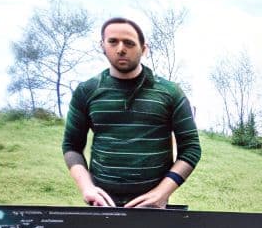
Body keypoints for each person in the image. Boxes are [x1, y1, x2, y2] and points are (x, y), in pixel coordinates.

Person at [61, 17, 201, 207]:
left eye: (129, 43)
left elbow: (191, 148)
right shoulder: (86, 91)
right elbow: (72, 146)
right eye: (113, 42)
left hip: (153, 207)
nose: (120, 49)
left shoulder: (170, 92)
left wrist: (161, 193)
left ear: (144, 49)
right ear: (102, 45)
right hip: (102, 204)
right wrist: (87, 188)